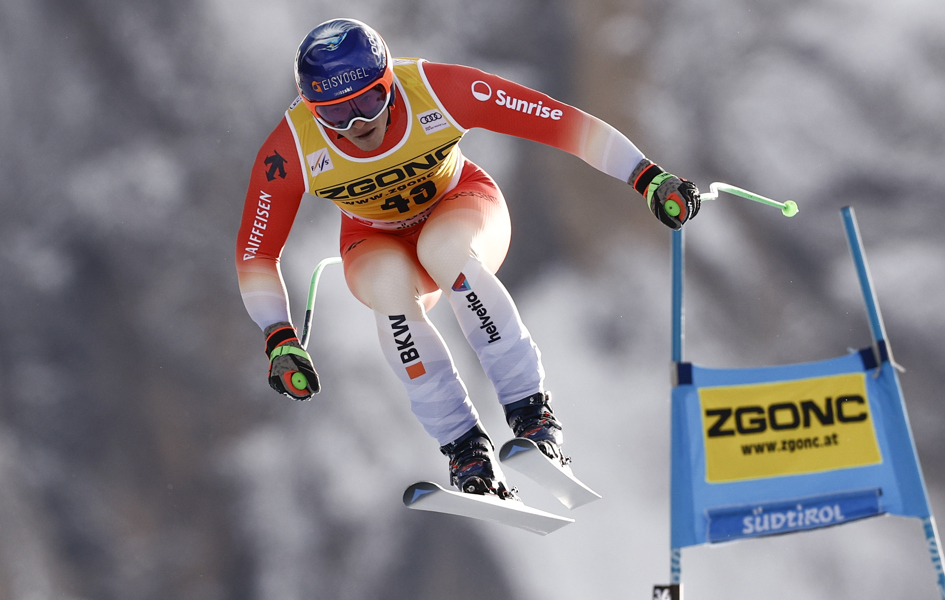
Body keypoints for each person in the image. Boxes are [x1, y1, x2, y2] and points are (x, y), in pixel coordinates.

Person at [235, 18, 699, 500]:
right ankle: (465, 453)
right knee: (389, 291)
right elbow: (256, 254)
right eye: (336, 114)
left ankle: (532, 416)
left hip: (462, 206)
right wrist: (279, 337)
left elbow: (559, 123)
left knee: (446, 253)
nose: (359, 123)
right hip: (373, 239)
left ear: (390, 81)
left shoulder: (436, 89)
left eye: (370, 99)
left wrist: (647, 177)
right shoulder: (290, 148)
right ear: (311, 110)